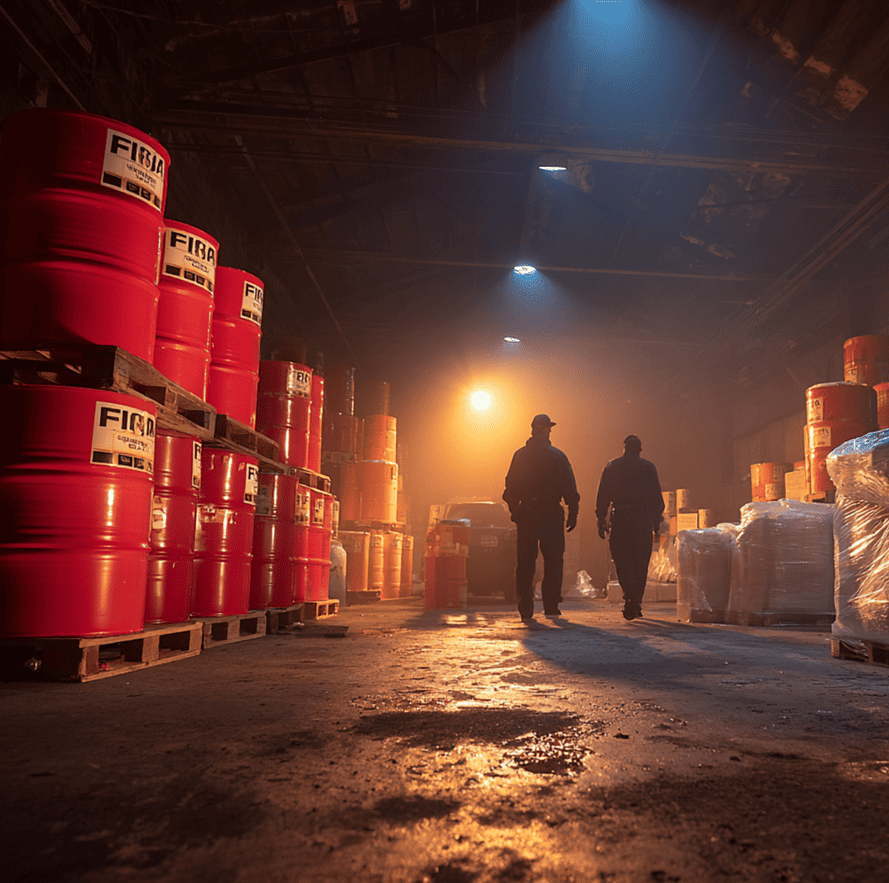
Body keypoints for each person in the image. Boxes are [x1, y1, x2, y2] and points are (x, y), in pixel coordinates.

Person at [503, 414, 580, 623]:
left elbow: (510, 489)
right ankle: (551, 605)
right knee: (553, 560)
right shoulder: (557, 456)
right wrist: (573, 511)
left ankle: (526, 604)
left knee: (526, 562)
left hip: (527, 513)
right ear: (546, 430)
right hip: (550, 515)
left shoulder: (520, 456)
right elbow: (569, 486)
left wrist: (516, 511)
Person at [595, 435, 665, 621]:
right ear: (639, 450)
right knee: (640, 563)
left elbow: (603, 495)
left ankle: (629, 595)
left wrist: (601, 518)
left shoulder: (612, 466)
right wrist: (656, 523)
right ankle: (636, 602)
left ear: (624, 448)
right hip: (642, 520)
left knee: (622, 561)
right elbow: (656, 498)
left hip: (620, 519)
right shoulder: (648, 468)